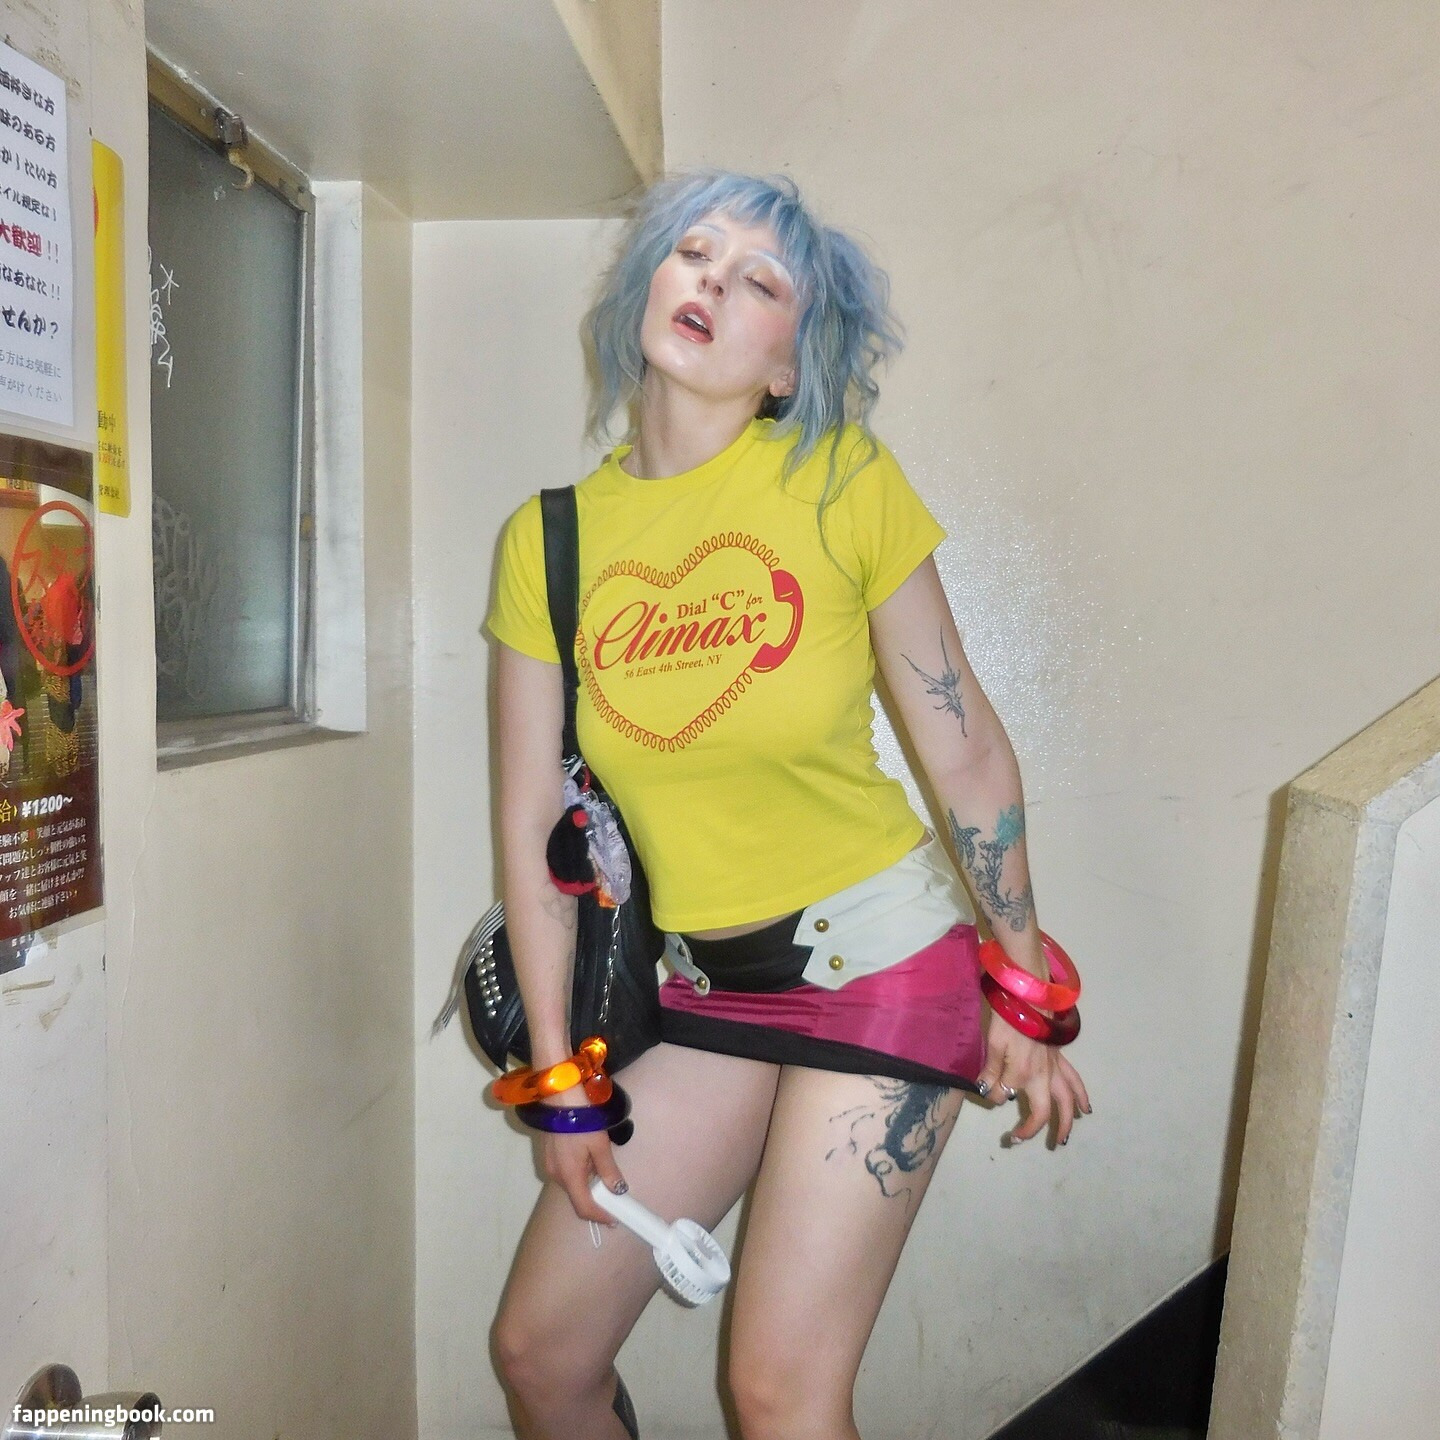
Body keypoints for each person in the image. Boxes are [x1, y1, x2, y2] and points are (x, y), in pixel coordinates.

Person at [484, 169, 1090, 1440]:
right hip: (706, 991)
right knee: (542, 1353)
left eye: (759, 280)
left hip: (881, 962)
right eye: (693, 251)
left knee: (778, 1394)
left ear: (786, 367)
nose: (711, 279)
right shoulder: (550, 541)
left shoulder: (840, 481)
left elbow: (966, 751)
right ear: (644, 286)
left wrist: (1026, 980)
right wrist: (558, 1079)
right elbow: (536, 839)